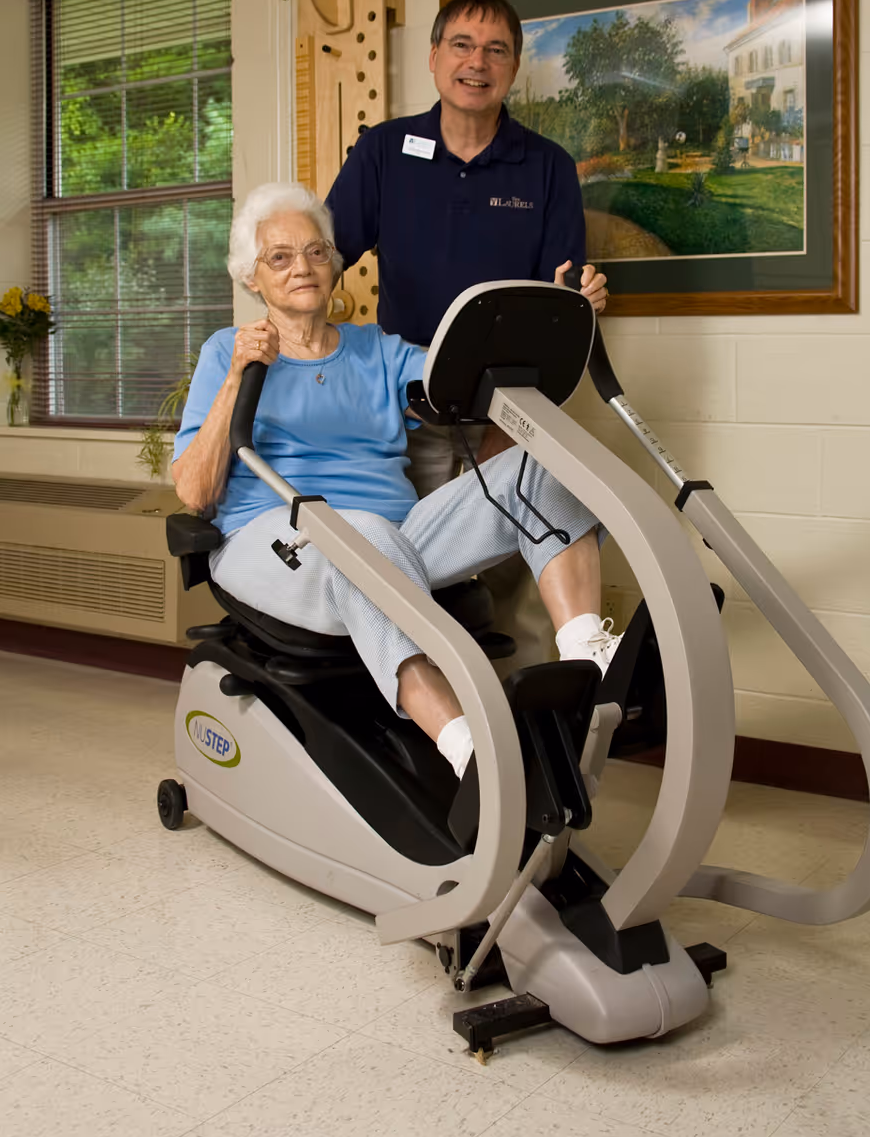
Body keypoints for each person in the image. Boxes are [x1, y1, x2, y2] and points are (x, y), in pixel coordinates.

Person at [173, 183, 620, 780]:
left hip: (395, 541)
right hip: (277, 545)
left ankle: (589, 657)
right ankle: (468, 747)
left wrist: (562, 313)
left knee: (540, 461)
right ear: (251, 278)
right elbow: (194, 493)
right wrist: (235, 379)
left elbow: (479, 377)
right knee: (355, 534)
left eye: (315, 251)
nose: (301, 267)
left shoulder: (378, 351)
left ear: (334, 263)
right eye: (278, 257)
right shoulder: (226, 351)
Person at [326, 0, 609, 666]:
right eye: (461, 44)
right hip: (411, 408)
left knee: (522, 572)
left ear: (513, 68)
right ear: (433, 58)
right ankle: (435, 725)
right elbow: (323, 257)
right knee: (409, 566)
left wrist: (583, 296)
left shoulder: (545, 167)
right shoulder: (384, 152)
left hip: (508, 411)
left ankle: (540, 722)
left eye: (495, 50)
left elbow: (556, 298)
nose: (476, 62)